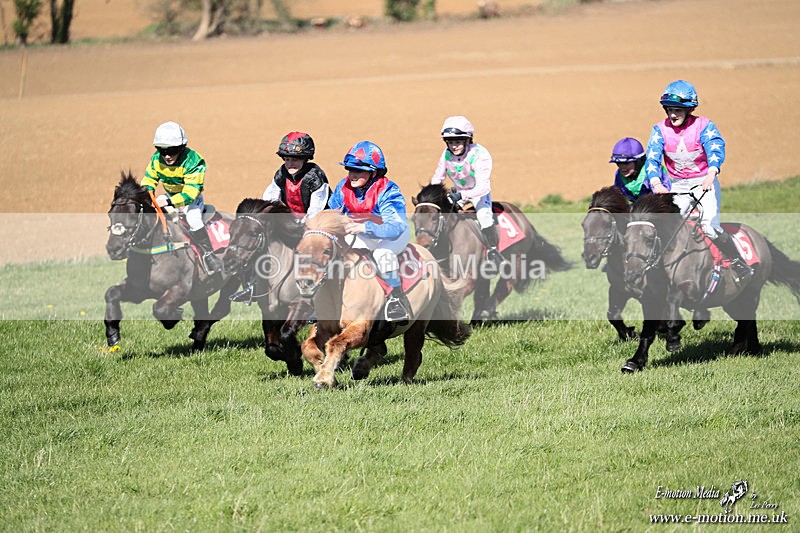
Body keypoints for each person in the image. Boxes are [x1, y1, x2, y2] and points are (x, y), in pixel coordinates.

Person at [644, 80, 752, 282]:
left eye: (677, 110)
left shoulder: (705, 126)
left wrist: (712, 172)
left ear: (689, 109)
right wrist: (656, 183)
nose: (672, 114)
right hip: (677, 186)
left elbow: (715, 148)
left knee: (710, 228)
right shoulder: (659, 130)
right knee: (669, 227)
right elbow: (652, 158)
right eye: (669, 110)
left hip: (704, 182)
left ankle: (738, 262)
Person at [327, 141, 412, 323]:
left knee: (383, 254)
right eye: (350, 170)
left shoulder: (388, 190)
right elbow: (331, 213)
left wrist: (365, 227)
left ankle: (397, 300)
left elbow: (395, 227)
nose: (352, 175)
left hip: (393, 235)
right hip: (363, 233)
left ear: (373, 172)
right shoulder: (343, 188)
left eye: (358, 171)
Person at [142, 121, 223, 274]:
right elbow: (149, 179)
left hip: (191, 201)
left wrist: (169, 201)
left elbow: (190, 193)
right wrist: (147, 193)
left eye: (172, 151)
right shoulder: (156, 159)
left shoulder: (194, 160)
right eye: (162, 151)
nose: (166, 156)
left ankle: (209, 255)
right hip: (169, 197)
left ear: (182, 147)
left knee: (193, 219)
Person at [430, 115, 502, 268]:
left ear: (467, 140)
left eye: (457, 142)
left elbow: (484, 187)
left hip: (478, 193)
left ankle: (493, 252)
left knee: (484, 217)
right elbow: (438, 178)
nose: (454, 146)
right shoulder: (446, 154)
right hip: (458, 193)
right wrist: (431, 195)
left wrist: (460, 195)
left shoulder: (480, 155)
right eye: (450, 143)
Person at [262, 131, 331, 222]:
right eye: (287, 159)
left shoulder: (315, 177)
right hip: (291, 221)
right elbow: (271, 198)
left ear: (304, 159)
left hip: (316, 221)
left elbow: (315, 210)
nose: (290, 164)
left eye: (295, 160)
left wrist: (300, 225)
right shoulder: (281, 173)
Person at [609, 137, 671, 201]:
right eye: (618, 163)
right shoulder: (619, 175)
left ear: (638, 162)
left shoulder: (654, 172)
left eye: (626, 163)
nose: (622, 167)